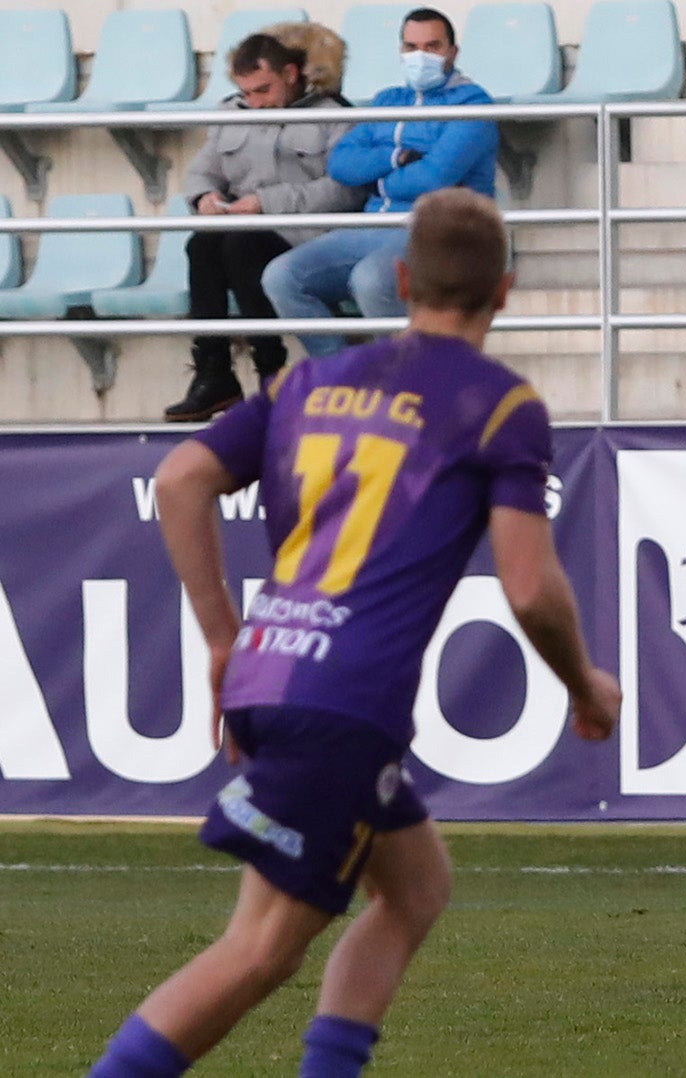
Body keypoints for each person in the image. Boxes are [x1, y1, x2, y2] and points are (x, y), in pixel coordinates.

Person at [88, 187, 620, 1076]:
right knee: (259, 951)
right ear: (506, 291)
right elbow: (529, 588)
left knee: (415, 890)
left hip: (273, 669)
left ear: (403, 279)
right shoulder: (498, 405)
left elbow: (182, 480)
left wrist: (224, 639)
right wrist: (584, 685)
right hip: (346, 701)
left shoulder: (309, 380)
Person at [261, 7, 498, 358]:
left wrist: (377, 181)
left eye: (432, 46)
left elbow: (435, 178)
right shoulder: (389, 100)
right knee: (281, 276)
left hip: (436, 231)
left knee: (371, 279)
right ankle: (342, 377)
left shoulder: (474, 104)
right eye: (411, 47)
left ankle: (406, 381)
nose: (421, 56)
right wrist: (394, 158)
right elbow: (340, 164)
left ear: (453, 52)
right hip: (371, 226)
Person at [166, 27, 367, 422]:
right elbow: (202, 171)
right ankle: (213, 372)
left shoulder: (334, 116)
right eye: (247, 93)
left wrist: (267, 203)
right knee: (202, 245)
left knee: (240, 246)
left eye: (263, 90)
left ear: (291, 74)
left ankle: (270, 370)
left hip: (306, 235)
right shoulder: (230, 113)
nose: (255, 103)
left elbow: (346, 191)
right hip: (243, 227)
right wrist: (204, 198)